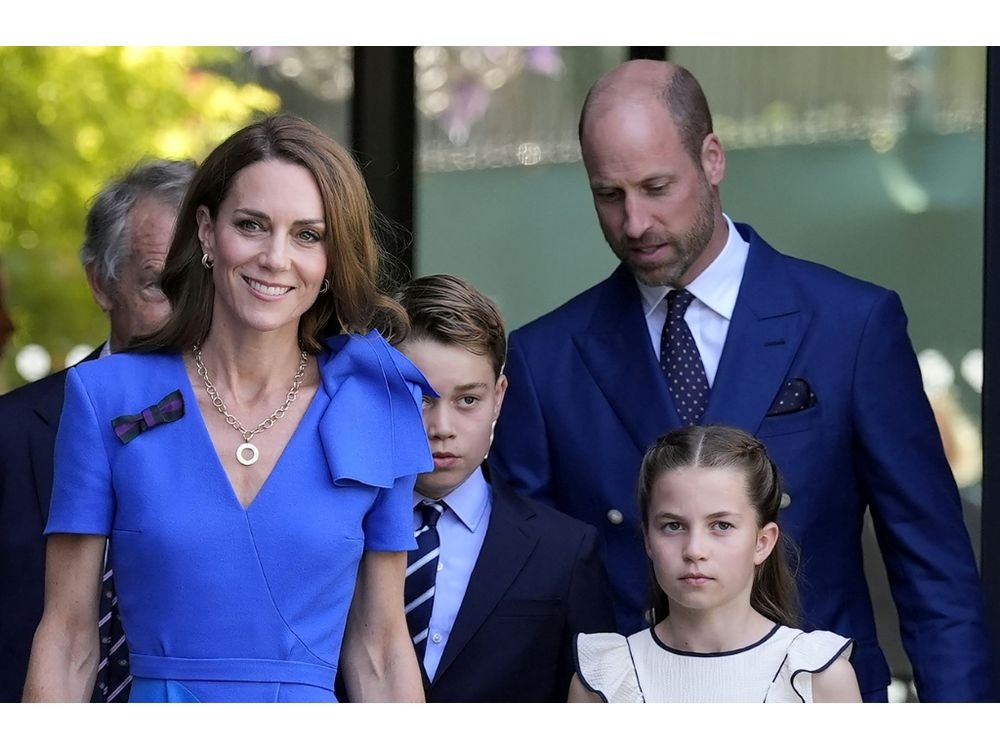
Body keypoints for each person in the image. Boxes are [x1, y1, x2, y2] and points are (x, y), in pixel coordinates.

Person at [490, 59, 994, 702]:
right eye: (608, 195)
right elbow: (529, 602)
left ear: (713, 158)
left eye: (656, 186)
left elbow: (934, 571)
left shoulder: (851, 325)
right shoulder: (544, 359)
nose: (635, 222)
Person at [22, 114, 431, 702]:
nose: (275, 257)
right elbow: (67, 639)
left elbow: (382, 650)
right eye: (251, 225)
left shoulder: (378, 402)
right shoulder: (106, 396)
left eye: (307, 235)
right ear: (208, 233)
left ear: (332, 256)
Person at [0, 158, 195, 703]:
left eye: (201, 285)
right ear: (101, 283)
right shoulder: (10, 434)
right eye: (160, 285)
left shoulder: (264, 439)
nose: (188, 313)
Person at [391, 273, 616, 701]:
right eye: (419, 399)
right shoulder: (339, 532)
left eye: (467, 400)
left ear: (499, 395)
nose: (441, 428)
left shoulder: (565, 551)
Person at [570, 425, 861, 702]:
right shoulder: (604, 679)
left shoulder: (817, 675)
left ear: (763, 542)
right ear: (648, 538)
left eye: (721, 525)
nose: (695, 550)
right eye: (673, 526)